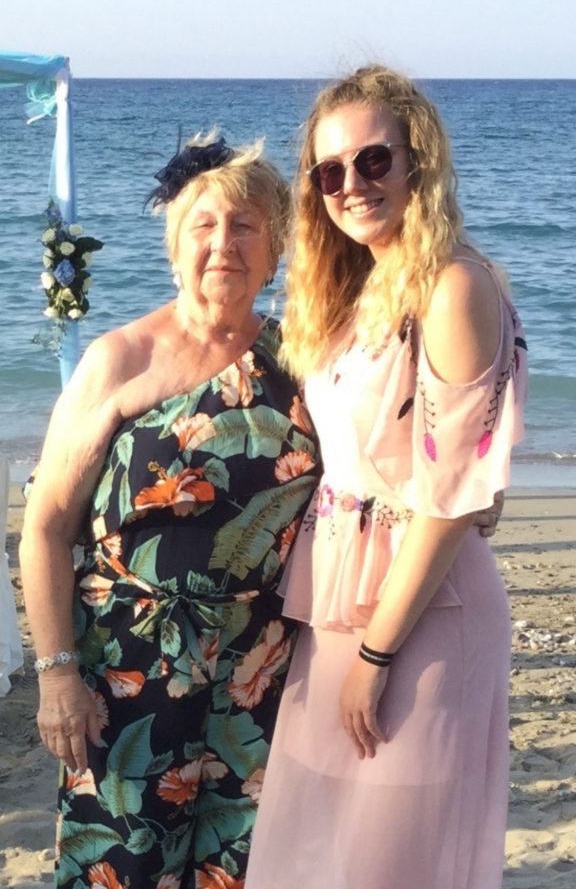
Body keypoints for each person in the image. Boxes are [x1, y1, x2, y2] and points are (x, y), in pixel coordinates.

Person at [245, 66, 528, 889]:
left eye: (373, 160)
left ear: (417, 161)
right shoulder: (365, 283)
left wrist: (377, 653)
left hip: (421, 612)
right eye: (329, 172)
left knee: (391, 863)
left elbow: (450, 501)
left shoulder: (452, 285)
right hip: (337, 597)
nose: (352, 185)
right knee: (313, 852)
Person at [19, 136, 321, 889]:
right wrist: (57, 676)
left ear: (276, 249)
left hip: (261, 667)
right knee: (122, 864)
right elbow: (46, 527)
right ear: (174, 247)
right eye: (204, 225)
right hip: (127, 666)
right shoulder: (122, 359)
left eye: (246, 225)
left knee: (242, 867)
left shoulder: (304, 362)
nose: (225, 243)